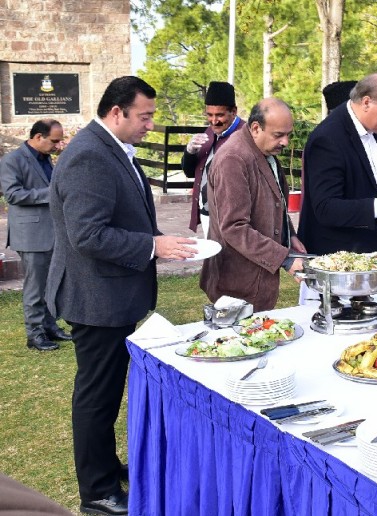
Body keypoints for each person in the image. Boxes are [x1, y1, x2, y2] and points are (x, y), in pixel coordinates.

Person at [46, 76, 196, 515]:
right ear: (117, 112)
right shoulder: (90, 155)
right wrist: (152, 246)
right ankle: (97, 491)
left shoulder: (110, 147)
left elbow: (124, 215)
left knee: (108, 393)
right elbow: (88, 235)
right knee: (97, 397)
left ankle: (107, 468)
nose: (150, 124)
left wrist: (159, 239)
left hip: (111, 294)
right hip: (95, 299)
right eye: (144, 116)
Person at [201, 98, 306, 311]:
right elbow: (234, 227)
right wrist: (285, 259)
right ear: (256, 128)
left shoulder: (263, 149)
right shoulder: (233, 159)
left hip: (257, 281)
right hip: (236, 285)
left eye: (288, 134)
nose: (285, 142)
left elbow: (275, 200)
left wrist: (289, 235)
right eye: (278, 135)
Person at [298, 73, 377, 255]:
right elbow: (325, 208)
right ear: (366, 102)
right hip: (338, 257)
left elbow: (374, 185)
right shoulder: (327, 138)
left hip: (375, 250)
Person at [0, 119, 72, 351]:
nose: (57, 145)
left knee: (51, 284)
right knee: (35, 287)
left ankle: (49, 326)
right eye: (54, 141)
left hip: (52, 232)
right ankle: (35, 334)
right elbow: (12, 195)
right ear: (38, 137)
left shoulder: (46, 158)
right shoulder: (12, 160)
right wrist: (51, 193)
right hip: (30, 235)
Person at [181, 81, 244, 237]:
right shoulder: (209, 132)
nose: (214, 121)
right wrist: (189, 152)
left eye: (220, 115)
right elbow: (190, 172)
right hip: (207, 212)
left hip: (232, 219)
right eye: (209, 115)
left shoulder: (246, 135)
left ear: (233, 112)